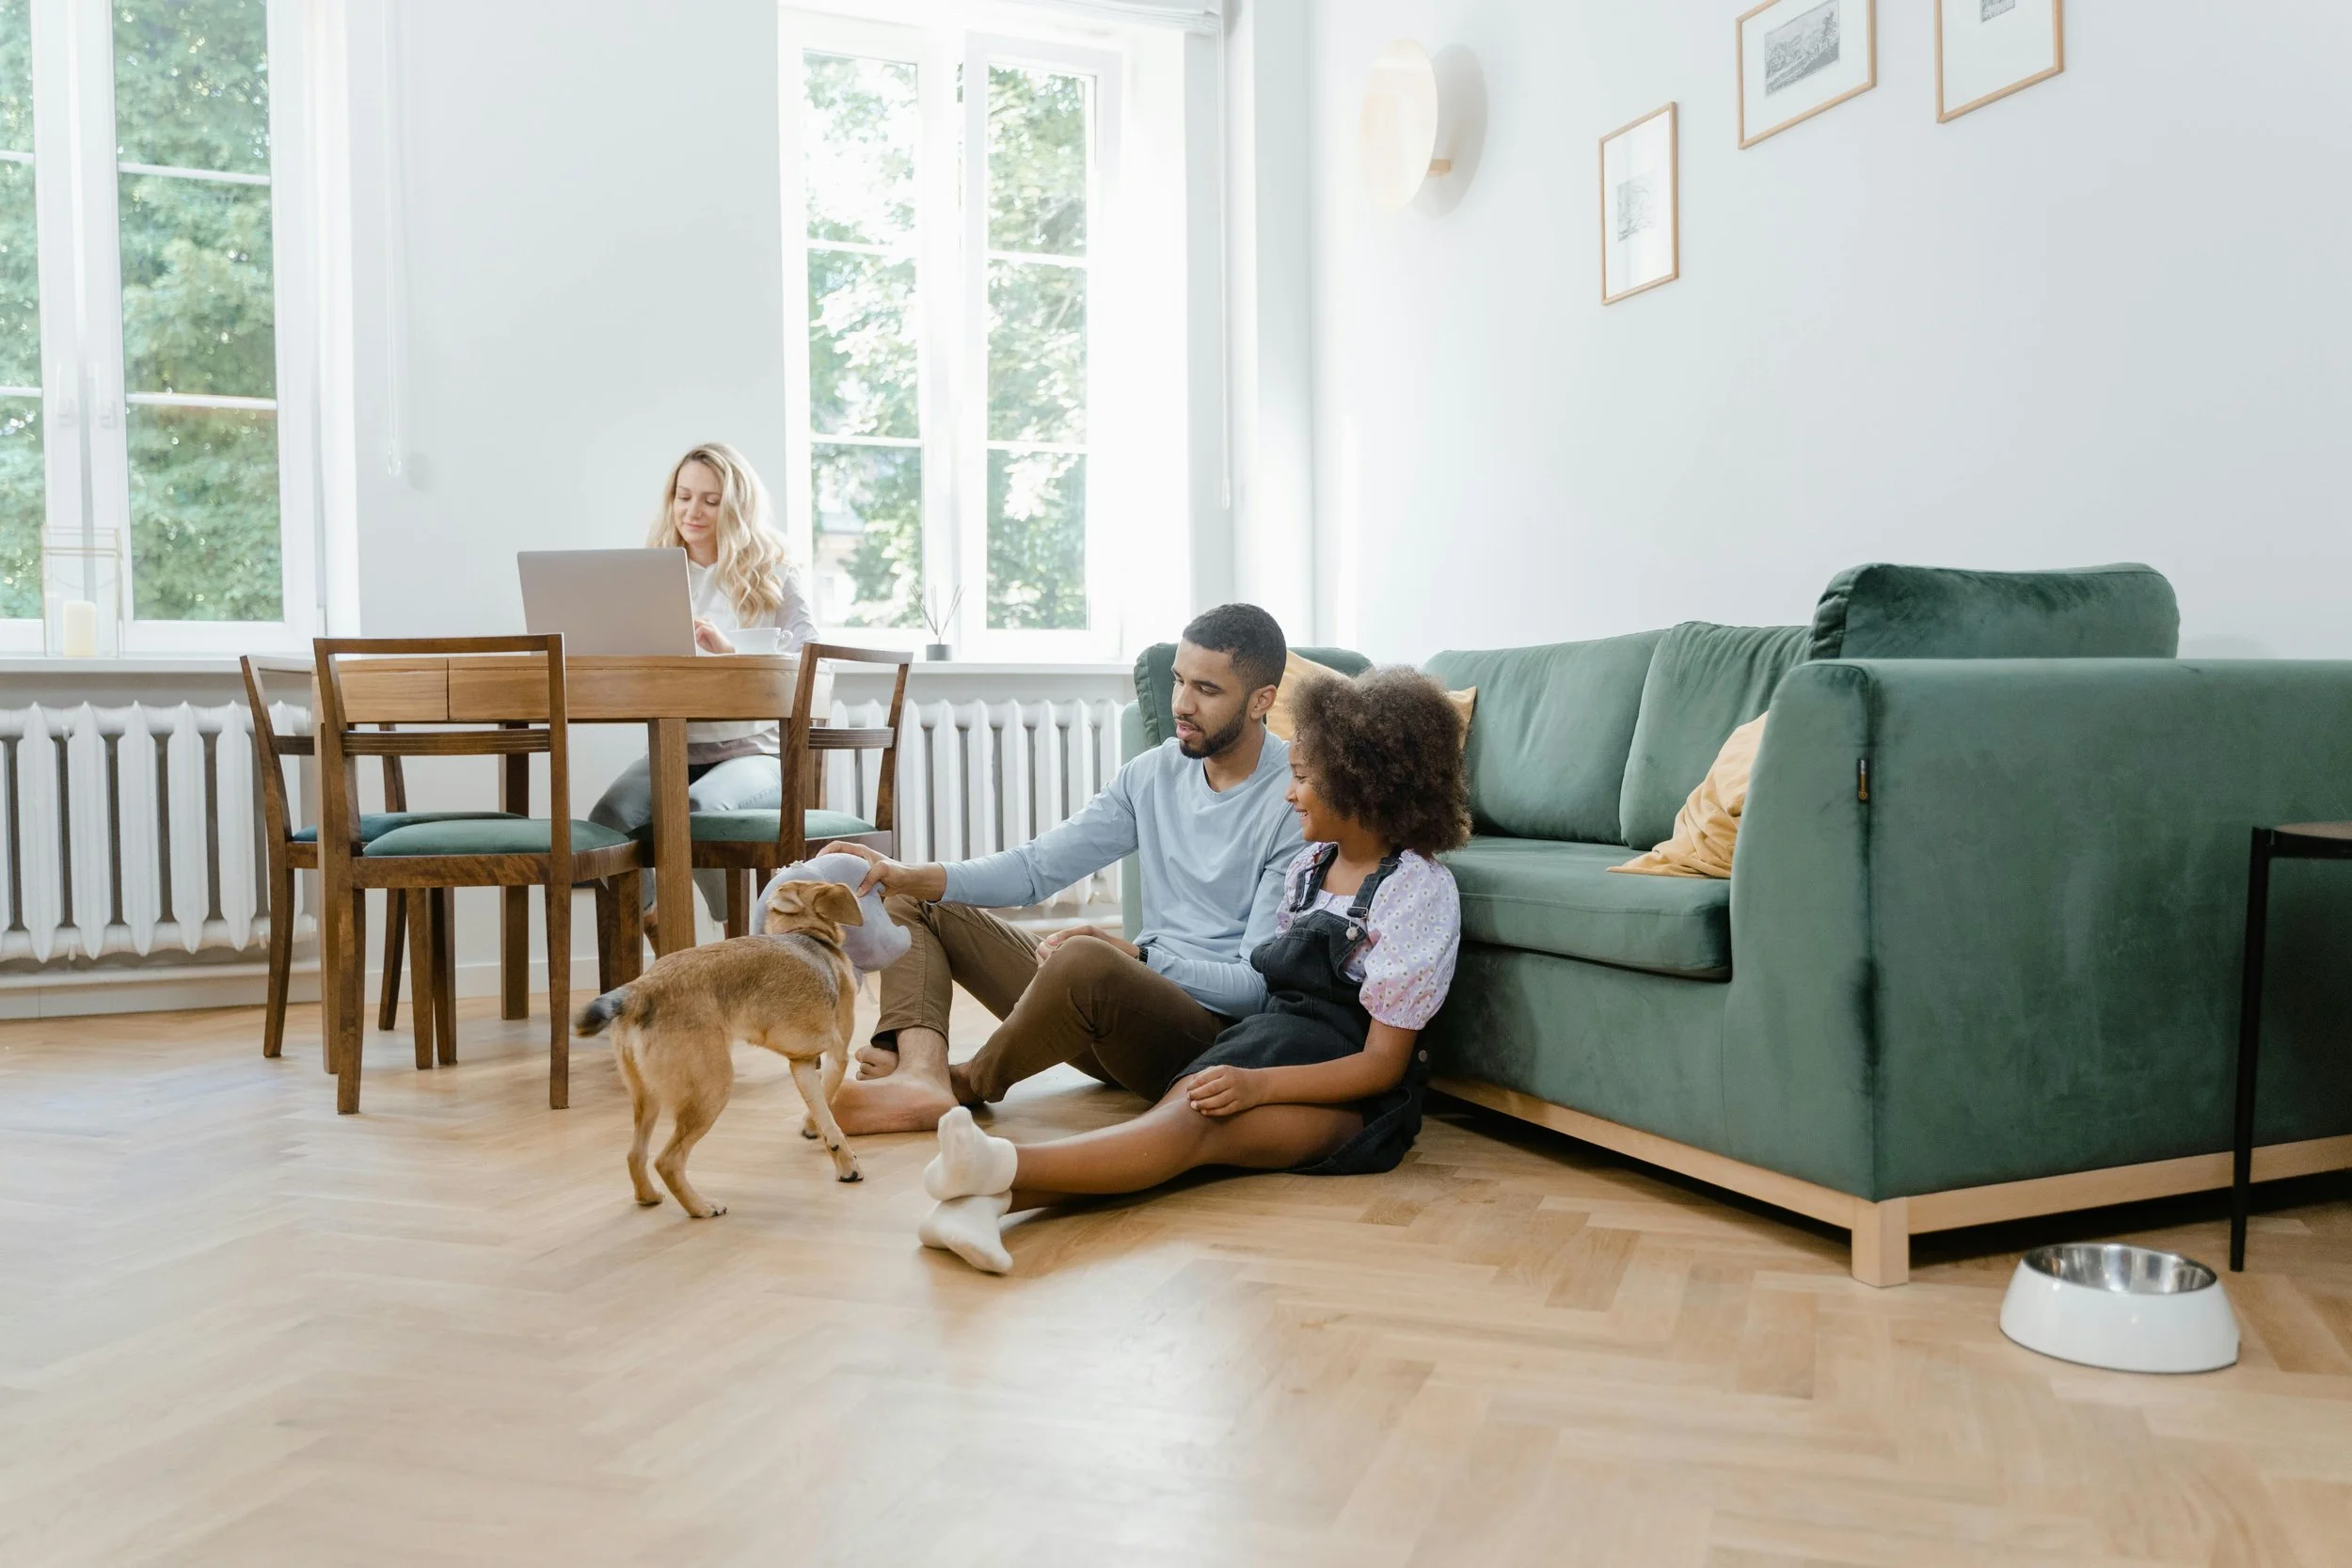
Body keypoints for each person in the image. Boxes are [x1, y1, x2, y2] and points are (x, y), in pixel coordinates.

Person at [911, 666, 1469, 1274]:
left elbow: (1382, 1063)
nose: (1289, 793)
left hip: (1350, 1096)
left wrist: (1257, 1085)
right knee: (1177, 1121)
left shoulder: (1418, 890)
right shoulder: (1310, 866)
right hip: (1266, 1045)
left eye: (1304, 778)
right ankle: (978, 1203)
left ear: (1364, 785)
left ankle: (998, 1165)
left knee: (1195, 1128)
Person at [817, 604, 1306, 1136]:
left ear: (1262, 701)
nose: (1181, 705)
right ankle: (920, 1076)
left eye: (1207, 690)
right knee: (912, 902)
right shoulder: (1151, 774)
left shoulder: (1296, 800)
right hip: (1108, 1017)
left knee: (1086, 959)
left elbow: (1255, 990)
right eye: (1178, 681)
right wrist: (906, 872)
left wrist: (1137, 957)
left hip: (1199, 1045)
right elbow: (1035, 869)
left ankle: (967, 1083)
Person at [589, 442, 818, 932]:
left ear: (736, 507)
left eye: (710, 500)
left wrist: (729, 654)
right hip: (672, 751)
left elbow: (809, 668)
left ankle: (733, 940)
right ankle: (667, 944)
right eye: (683, 495)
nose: (693, 511)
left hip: (752, 755)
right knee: (607, 817)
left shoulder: (774, 573)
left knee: (695, 812)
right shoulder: (652, 575)